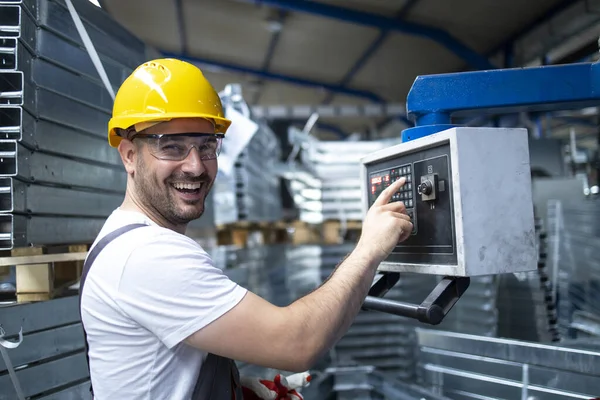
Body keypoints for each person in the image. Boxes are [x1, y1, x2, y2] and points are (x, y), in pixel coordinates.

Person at [79, 58, 413, 400]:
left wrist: (236, 390)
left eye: (207, 146)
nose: (196, 166)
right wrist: (369, 248)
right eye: (172, 147)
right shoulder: (147, 255)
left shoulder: (124, 237)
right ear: (130, 155)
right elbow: (297, 343)